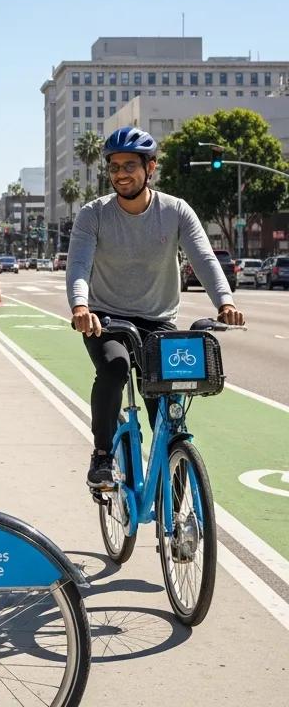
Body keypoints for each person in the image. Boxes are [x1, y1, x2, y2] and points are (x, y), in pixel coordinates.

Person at [68, 126, 245, 488]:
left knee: (164, 405)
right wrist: (80, 306)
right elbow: (79, 265)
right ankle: (102, 456)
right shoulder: (93, 214)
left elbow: (205, 259)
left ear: (151, 168)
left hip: (158, 320)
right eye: (114, 166)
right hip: (105, 318)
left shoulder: (176, 211)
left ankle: (177, 495)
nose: (120, 173)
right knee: (115, 368)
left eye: (129, 165)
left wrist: (224, 301)